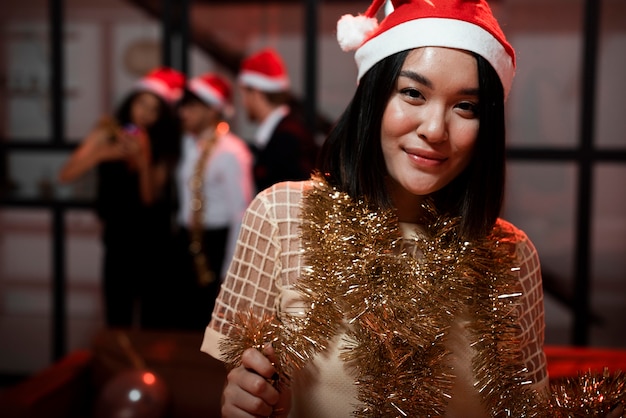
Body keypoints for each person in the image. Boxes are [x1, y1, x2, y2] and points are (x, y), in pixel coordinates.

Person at [201, 1, 625, 417]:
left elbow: (527, 406)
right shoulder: (281, 215)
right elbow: (241, 378)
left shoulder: (512, 255)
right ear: (373, 97)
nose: (435, 129)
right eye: (412, 93)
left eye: (466, 106)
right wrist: (243, 397)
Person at [58, 66, 184, 329]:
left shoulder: (163, 144)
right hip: (116, 238)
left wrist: (143, 158)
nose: (145, 114)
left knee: (153, 320)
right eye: (142, 104)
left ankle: (150, 370)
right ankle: (121, 370)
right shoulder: (107, 131)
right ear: (131, 101)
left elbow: (149, 197)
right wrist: (103, 154)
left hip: (153, 241)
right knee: (117, 318)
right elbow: (66, 174)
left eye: (154, 109)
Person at [173, 72, 254, 330]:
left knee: (209, 322)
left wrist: (230, 270)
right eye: (183, 106)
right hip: (188, 238)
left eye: (192, 107)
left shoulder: (232, 152)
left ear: (212, 110)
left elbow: (240, 214)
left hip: (216, 242)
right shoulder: (189, 144)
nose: (184, 112)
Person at [238, 47, 319, 193]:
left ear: (256, 93)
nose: (244, 103)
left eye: (245, 95)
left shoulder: (288, 138)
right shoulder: (283, 132)